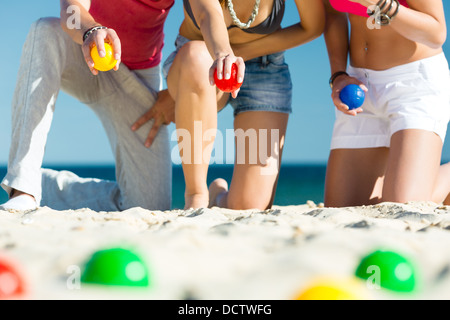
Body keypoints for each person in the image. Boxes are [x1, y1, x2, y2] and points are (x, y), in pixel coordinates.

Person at [0, 0, 175, 212]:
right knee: (44, 30)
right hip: (86, 52)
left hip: (138, 80)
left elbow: (209, 18)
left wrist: (176, 93)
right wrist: (90, 29)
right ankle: (24, 188)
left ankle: (46, 186)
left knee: (150, 207)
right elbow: (71, 8)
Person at [158, 0, 324, 210]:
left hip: (265, 66)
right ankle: (196, 196)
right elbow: (206, 14)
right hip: (203, 62)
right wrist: (223, 54)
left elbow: (313, 26)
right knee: (197, 57)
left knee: (248, 206)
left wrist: (238, 54)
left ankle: (216, 196)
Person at [322, 0, 450, 207]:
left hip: (414, 84)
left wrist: (378, 3)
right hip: (358, 84)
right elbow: (332, 14)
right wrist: (338, 75)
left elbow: (436, 33)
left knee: (401, 206)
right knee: (345, 209)